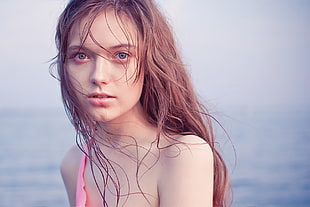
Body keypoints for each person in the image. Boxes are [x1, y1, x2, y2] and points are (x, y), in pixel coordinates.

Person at [52, 0, 231, 206]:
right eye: (81, 56)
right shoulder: (74, 163)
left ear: (151, 62)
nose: (98, 76)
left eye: (121, 55)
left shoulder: (182, 157)